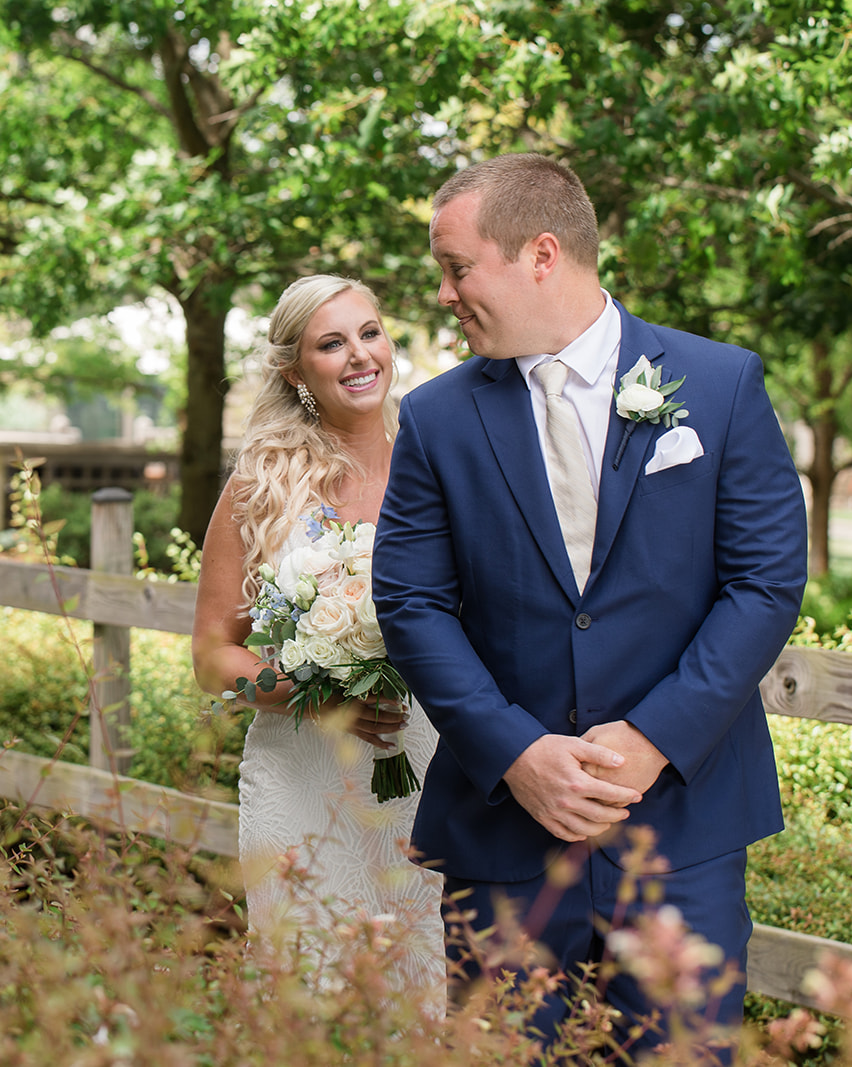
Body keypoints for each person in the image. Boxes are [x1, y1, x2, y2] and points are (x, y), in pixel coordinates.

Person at [373, 154, 807, 1054]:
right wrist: (518, 752)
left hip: (680, 835)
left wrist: (653, 738)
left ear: (540, 253)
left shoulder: (721, 386)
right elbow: (411, 600)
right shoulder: (437, 417)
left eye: (457, 268)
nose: (446, 294)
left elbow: (764, 581)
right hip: (502, 839)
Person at [191, 274, 447, 1016]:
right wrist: (321, 694)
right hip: (301, 776)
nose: (359, 355)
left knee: (418, 996)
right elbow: (213, 656)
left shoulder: (440, 468)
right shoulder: (262, 484)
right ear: (294, 369)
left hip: (425, 769)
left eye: (370, 332)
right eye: (331, 343)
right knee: (307, 998)